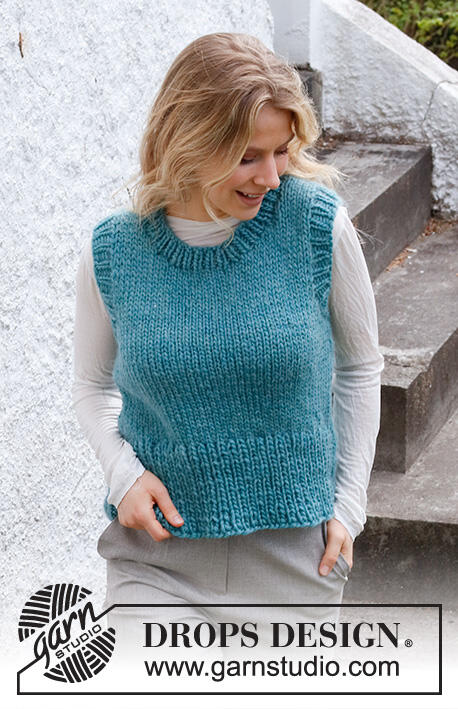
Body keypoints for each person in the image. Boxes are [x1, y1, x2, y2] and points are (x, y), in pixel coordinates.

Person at [71, 32, 384, 661]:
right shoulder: (113, 251)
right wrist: (122, 474)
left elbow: (359, 368)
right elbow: (91, 386)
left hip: (294, 560)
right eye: (247, 156)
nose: (271, 176)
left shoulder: (315, 225)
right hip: (156, 558)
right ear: (189, 141)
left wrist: (349, 507)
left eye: (282, 151)